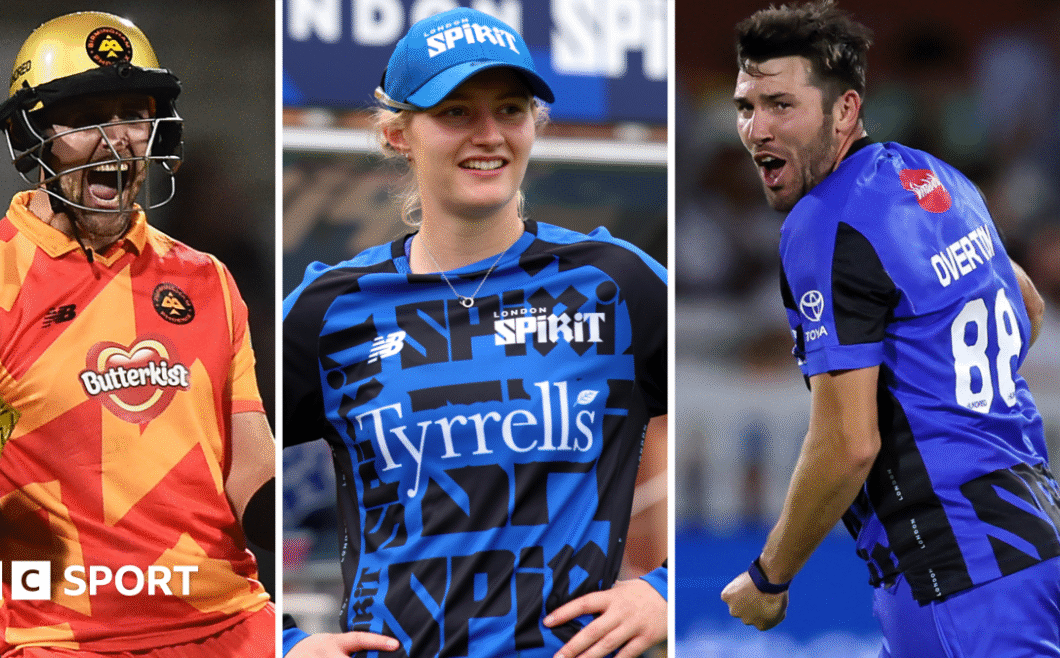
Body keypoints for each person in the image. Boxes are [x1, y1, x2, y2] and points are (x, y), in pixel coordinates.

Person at [281, 7, 668, 658]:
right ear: (398, 133)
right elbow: (207, 481)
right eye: (456, 112)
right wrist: (283, 641)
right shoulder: (329, 308)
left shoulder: (617, 285)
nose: (488, 134)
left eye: (510, 109)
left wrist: (666, 591)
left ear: (535, 125)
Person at [0, 11, 276, 657]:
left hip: (235, 629)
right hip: (66, 642)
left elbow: (251, 472)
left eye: (133, 113)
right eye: (84, 119)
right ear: (32, 135)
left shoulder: (207, 279)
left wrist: (334, 493)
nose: (117, 139)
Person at [720, 1, 1060, 655]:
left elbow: (849, 444)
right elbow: (1029, 308)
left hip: (957, 578)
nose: (756, 129)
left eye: (781, 105)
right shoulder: (941, 179)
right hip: (1034, 544)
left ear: (845, 110)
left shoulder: (824, 222)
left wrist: (770, 577)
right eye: (745, 106)